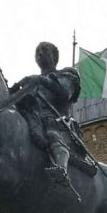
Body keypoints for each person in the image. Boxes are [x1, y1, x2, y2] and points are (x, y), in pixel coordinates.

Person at [10, 42, 82, 186]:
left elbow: (64, 92)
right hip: (33, 120)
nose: (40, 54)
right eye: (37, 52)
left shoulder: (68, 74)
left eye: (45, 50)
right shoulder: (31, 82)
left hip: (57, 122)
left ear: (54, 56)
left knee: (52, 133)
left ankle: (61, 169)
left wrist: (39, 80)